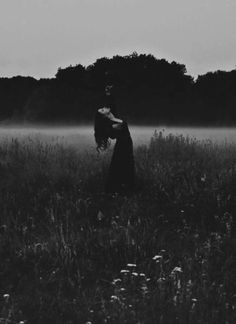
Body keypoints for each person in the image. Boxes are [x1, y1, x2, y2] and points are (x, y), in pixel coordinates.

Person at [94, 107, 135, 195]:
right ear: (104, 116)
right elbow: (123, 125)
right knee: (123, 166)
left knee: (121, 166)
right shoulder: (112, 125)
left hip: (124, 145)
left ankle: (123, 188)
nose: (103, 108)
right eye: (102, 110)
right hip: (123, 146)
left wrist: (112, 117)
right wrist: (112, 118)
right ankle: (121, 190)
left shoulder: (112, 121)